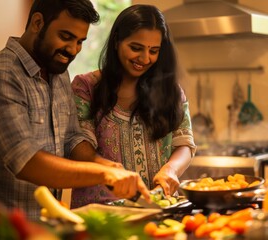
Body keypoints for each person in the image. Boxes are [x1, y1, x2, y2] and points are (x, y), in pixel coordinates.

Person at [0, 0, 150, 220]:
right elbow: (26, 161)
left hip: (43, 221)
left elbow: (71, 138)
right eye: (65, 37)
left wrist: (103, 163)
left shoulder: (58, 73)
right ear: (37, 22)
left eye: (80, 41)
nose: (73, 50)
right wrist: (103, 174)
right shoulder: (1, 75)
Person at [71, 4, 196, 208]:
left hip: (156, 211)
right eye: (136, 48)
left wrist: (171, 170)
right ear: (117, 41)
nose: (145, 59)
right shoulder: (86, 87)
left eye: (153, 51)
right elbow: (78, 147)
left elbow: (184, 143)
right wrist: (109, 170)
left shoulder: (170, 91)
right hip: (99, 215)